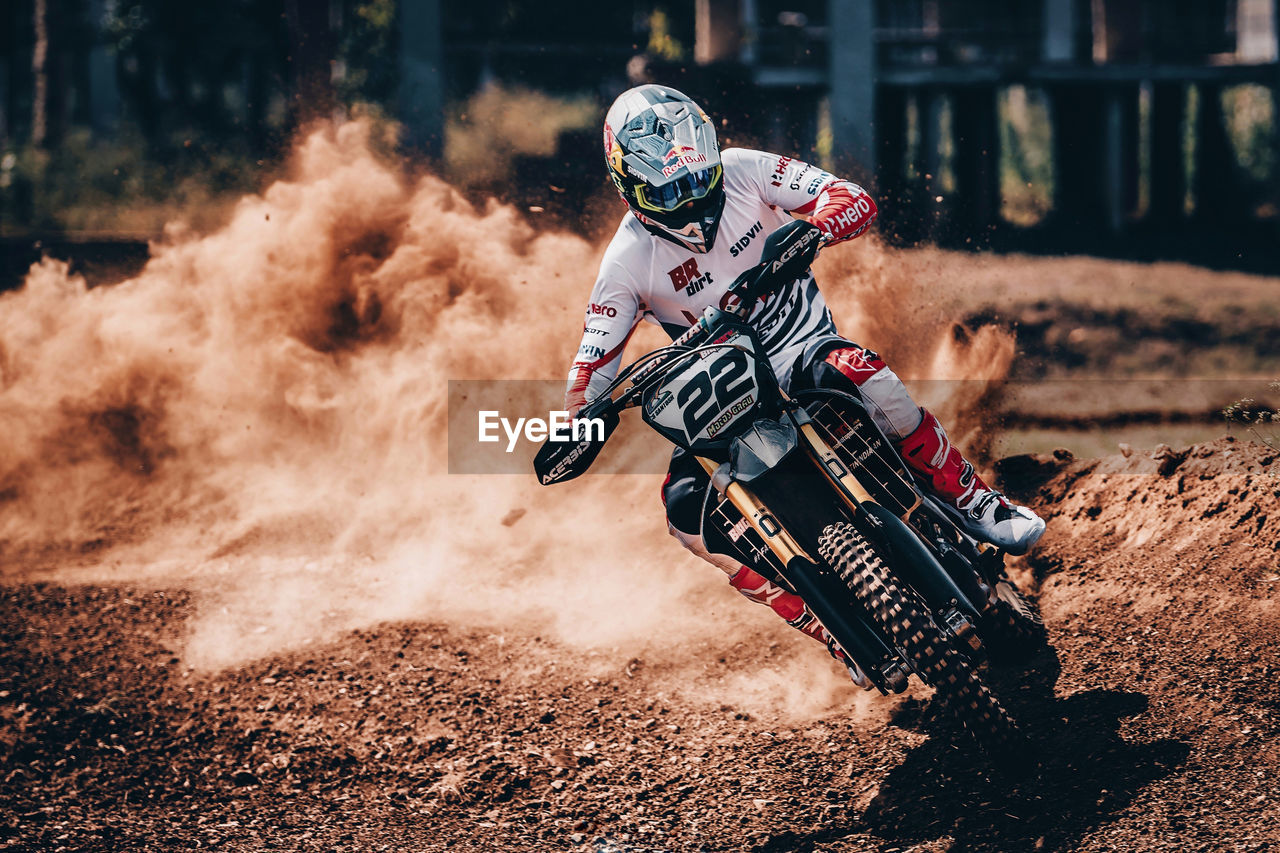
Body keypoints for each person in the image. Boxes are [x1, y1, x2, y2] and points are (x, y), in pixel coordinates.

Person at [566, 84, 1045, 669]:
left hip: (802, 349)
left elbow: (849, 196)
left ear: (711, 155)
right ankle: (827, 628)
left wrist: (817, 228)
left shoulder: (745, 170)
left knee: (864, 374)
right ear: (630, 189)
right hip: (724, 392)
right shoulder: (624, 262)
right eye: (669, 192)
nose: (691, 201)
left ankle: (976, 503)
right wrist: (579, 424)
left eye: (697, 181)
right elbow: (592, 366)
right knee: (683, 512)